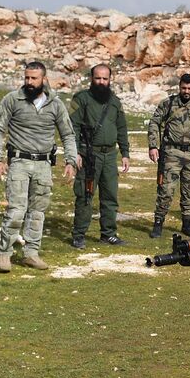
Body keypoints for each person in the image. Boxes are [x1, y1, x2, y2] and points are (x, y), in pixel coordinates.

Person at [0, 61, 78, 271]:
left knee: (37, 211)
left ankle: (31, 253)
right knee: (16, 211)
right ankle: (4, 254)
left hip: (44, 165)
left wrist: (71, 161)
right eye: (26, 77)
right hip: (19, 162)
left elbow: (68, 134)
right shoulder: (12, 99)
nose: (29, 82)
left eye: (34, 78)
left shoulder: (55, 104)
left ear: (44, 80)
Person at [69, 64, 131, 248]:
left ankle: (108, 233)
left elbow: (121, 128)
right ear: (91, 78)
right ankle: (79, 234)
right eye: (98, 78)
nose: (101, 82)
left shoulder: (115, 101)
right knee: (85, 195)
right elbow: (73, 128)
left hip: (110, 156)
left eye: (105, 78)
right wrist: (76, 153)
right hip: (89, 155)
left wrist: (125, 153)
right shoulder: (81, 99)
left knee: (110, 196)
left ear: (110, 79)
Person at [147, 73, 190, 239]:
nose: (186, 91)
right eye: (184, 88)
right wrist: (153, 145)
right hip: (170, 153)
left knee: (189, 191)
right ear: (179, 87)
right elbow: (154, 122)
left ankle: (187, 224)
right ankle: (158, 223)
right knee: (166, 190)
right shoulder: (168, 104)